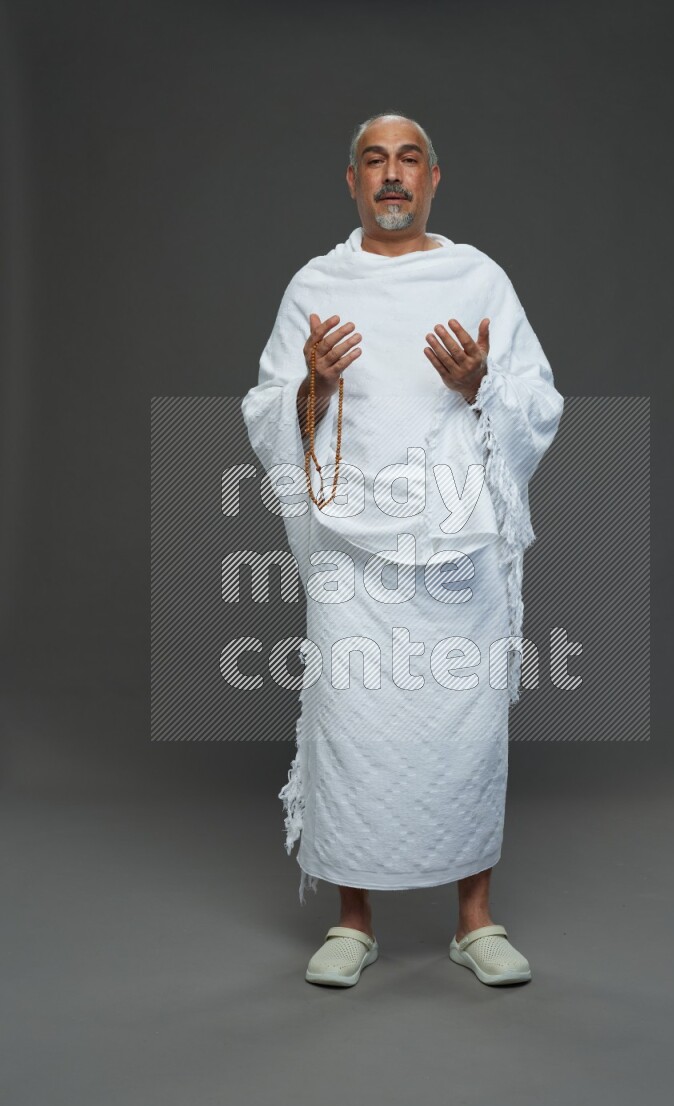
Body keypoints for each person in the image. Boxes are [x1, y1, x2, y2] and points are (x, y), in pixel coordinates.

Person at [241, 111, 564, 987]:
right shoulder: (316, 284)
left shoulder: (478, 278)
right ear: (351, 181)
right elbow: (270, 415)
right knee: (354, 728)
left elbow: (539, 402)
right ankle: (353, 919)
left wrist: (479, 385)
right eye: (374, 161)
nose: (391, 175)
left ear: (432, 179)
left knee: (465, 728)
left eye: (408, 160)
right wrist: (315, 382)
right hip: (354, 549)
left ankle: (474, 918)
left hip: (458, 542)